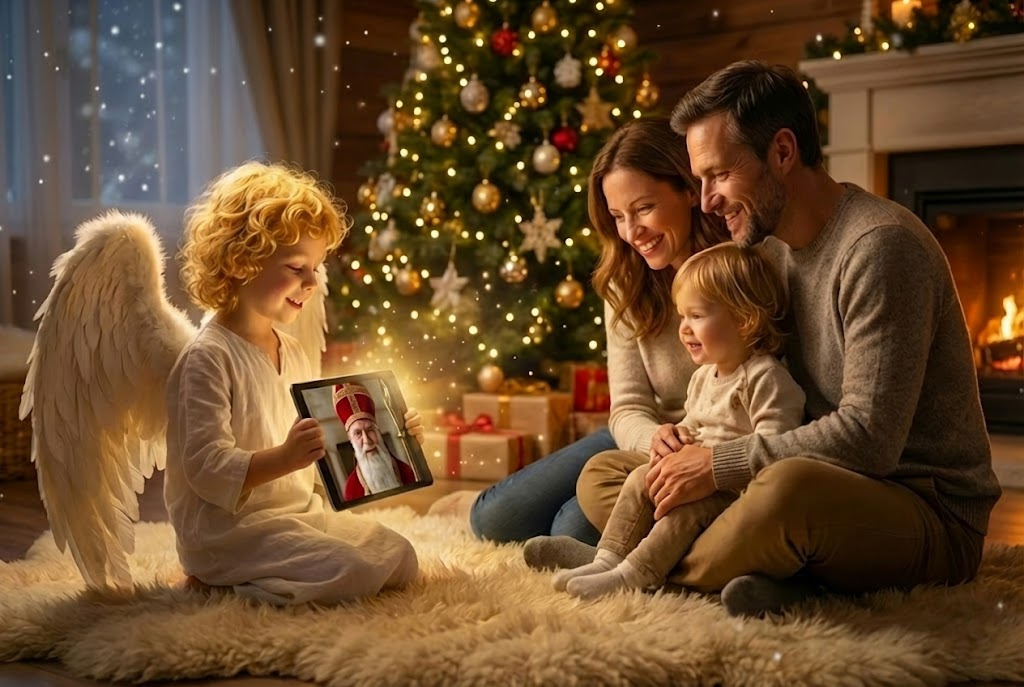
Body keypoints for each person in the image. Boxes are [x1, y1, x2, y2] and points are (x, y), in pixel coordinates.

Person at [566, 60, 1001, 616]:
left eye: (719, 175)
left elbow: (870, 440)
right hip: (802, 473)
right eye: (699, 181)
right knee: (608, 475)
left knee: (786, 492)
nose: (705, 202)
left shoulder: (879, 248)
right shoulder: (766, 251)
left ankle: (647, 570)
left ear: (783, 151)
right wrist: (688, 449)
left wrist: (717, 465)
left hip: (919, 505)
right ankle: (774, 576)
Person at [164, 161, 423, 605]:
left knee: (400, 556)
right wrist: (285, 457)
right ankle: (221, 583)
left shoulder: (295, 351)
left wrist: (393, 437)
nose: (312, 282)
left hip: (299, 515)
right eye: (296, 266)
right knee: (354, 570)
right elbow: (206, 470)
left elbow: (323, 452)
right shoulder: (208, 358)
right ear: (241, 261)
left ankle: (277, 575)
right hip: (231, 531)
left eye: (316, 268)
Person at [468, 118, 728, 553]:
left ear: (687, 189)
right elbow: (627, 406)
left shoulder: (737, 271)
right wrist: (651, 439)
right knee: (493, 518)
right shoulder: (625, 280)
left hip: (708, 439)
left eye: (644, 208)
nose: (631, 233)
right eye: (617, 216)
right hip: (647, 433)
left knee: (569, 530)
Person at [554, 243, 805, 599]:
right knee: (641, 477)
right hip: (694, 478)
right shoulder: (704, 376)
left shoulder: (766, 378)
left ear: (744, 319)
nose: (684, 329)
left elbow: (776, 446)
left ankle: (638, 573)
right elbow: (694, 423)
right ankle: (608, 558)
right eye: (681, 316)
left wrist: (713, 466)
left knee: (685, 511)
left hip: (734, 492)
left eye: (697, 316)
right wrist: (675, 435)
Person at [333, 382, 416, 499]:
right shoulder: (351, 490)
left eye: (370, 430)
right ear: (350, 440)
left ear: (378, 432)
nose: (367, 440)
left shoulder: (407, 472)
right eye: (358, 433)